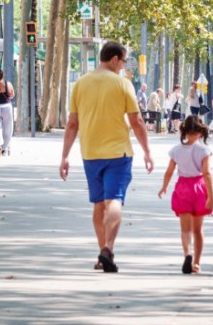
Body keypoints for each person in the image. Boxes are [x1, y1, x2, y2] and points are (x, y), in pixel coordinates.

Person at [59, 41, 154, 273]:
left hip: (90, 153)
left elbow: (72, 123)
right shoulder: (123, 84)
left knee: (99, 203)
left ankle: (101, 250)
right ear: (114, 59)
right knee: (114, 200)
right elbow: (137, 121)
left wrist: (64, 157)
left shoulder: (80, 84)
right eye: (123, 61)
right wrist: (147, 151)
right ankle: (108, 248)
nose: (123, 66)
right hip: (118, 153)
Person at [158, 115, 213, 274]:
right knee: (198, 230)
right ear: (200, 132)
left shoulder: (176, 150)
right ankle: (196, 262)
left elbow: (169, 172)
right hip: (198, 187)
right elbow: (207, 174)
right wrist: (211, 196)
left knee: (185, 229)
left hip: (182, 187)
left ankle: (187, 254)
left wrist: (164, 187)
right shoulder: (204, 150)